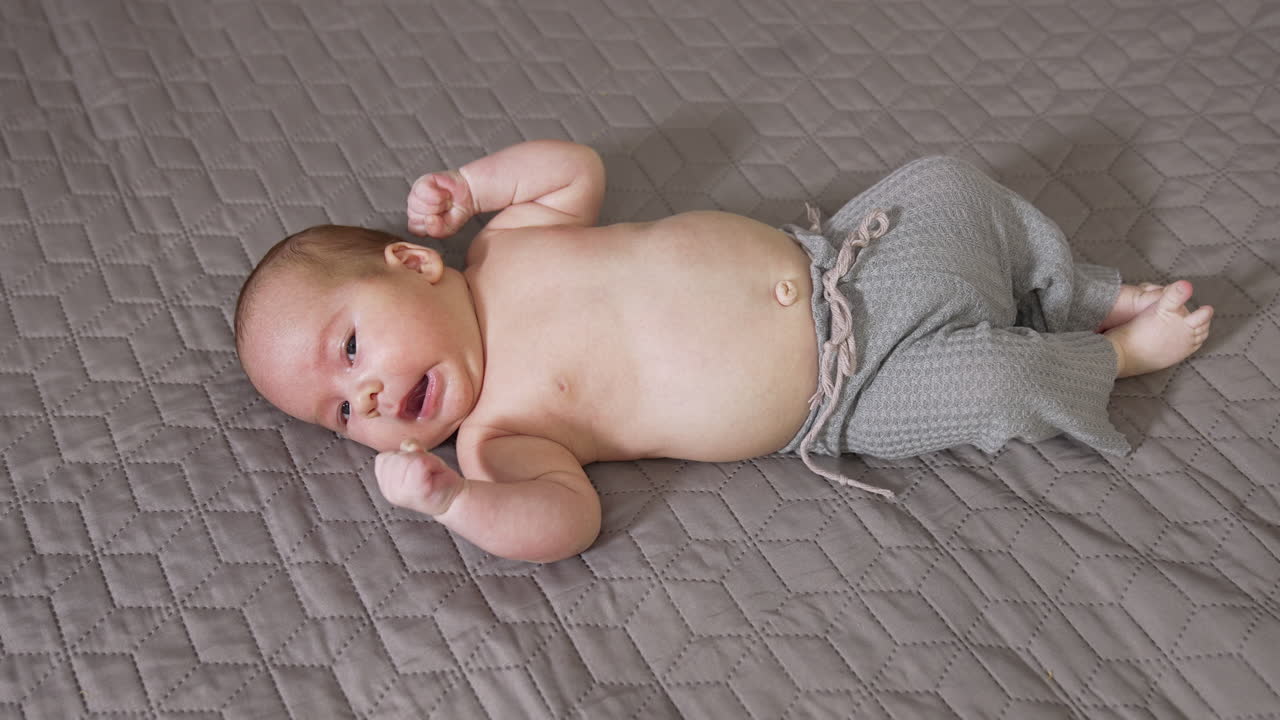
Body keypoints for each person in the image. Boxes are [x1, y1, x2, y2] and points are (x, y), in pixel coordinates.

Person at [234, 140, 1213, 562]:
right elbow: (565, 521)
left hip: (843, 254)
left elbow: (574, 170)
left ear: (415, 262)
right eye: (340, 413)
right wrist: (457, 505)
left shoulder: (509, 242)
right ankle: (1115, 360)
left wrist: (474, 185)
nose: (367, 396)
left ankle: (1077, 292)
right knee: (993, 384)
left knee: (952, 184)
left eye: (350, 347)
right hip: (845, 390)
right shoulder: (499, 437)